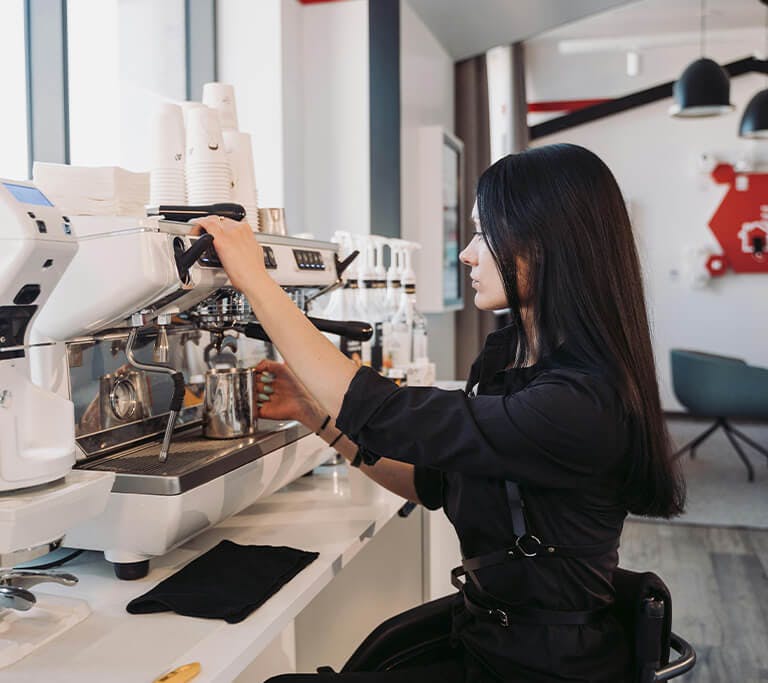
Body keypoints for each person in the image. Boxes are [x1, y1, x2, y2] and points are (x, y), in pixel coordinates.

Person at [192, 143, 686, 682]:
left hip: (539, 667)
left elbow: (387, 414)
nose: (468, 255)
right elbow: (426, 482)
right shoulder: (513, 364)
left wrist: (259, 283)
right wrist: (315, 414)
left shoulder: (579, 403)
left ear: (544, 244)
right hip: (491, 638)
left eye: (484, 234)